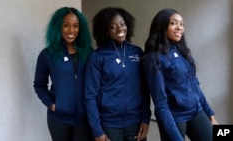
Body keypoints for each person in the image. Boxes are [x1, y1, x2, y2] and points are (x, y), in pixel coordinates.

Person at [142, 8, 219, 141]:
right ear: (162, 26)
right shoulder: (153, 58)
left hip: (196, 110)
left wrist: (210, 114)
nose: (180, 28)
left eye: (182, 24)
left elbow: (195, 85)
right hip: (174, 116)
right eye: (174, 23)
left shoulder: (182, 51)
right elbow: (160, 103)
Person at [85, 7, 151, 141]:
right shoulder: (97, 56)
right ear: (106, 31)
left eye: (122, 24)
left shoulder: (137, 52)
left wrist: (145, 118)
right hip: (109, 125)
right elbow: (90, 96)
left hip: (135, 123)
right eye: (113, 27)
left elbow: (144, 89)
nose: (120, 29)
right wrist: (97, 130)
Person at [33, 7, 94, 141]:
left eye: (75, 26)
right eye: (66, 25)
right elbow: (39, 84)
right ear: (58, 27)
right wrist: (52, 104)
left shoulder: (88, 52)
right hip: (59, 119)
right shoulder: (47, 55)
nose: (71, 30)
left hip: (84, 119)